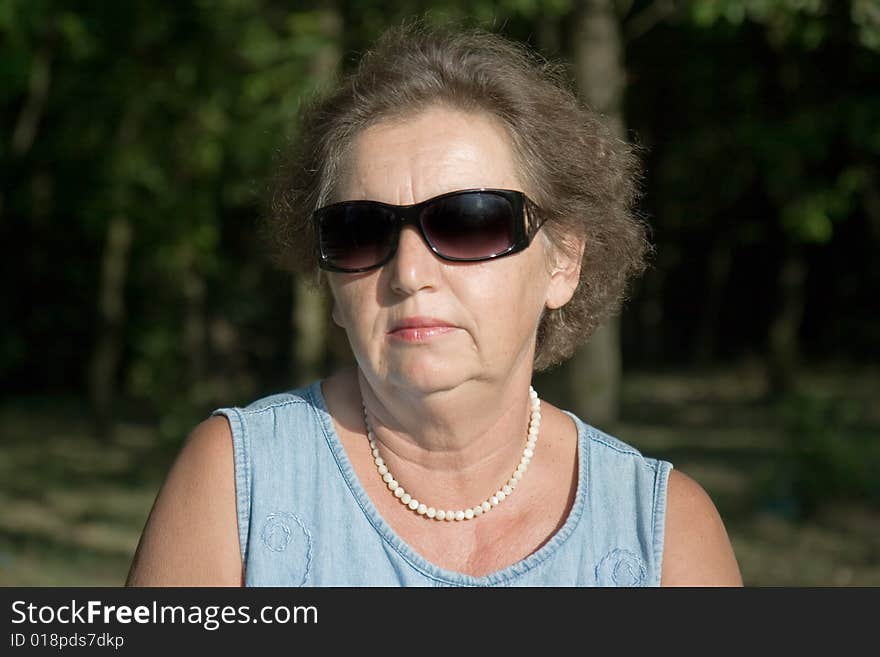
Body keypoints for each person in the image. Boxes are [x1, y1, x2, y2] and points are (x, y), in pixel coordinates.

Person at [126, 21, 742, 587]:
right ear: (333, 290)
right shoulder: (237, 486)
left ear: (563, 263)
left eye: (469, 222)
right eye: (361, 231)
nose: (409, 272)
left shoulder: (665, 538)